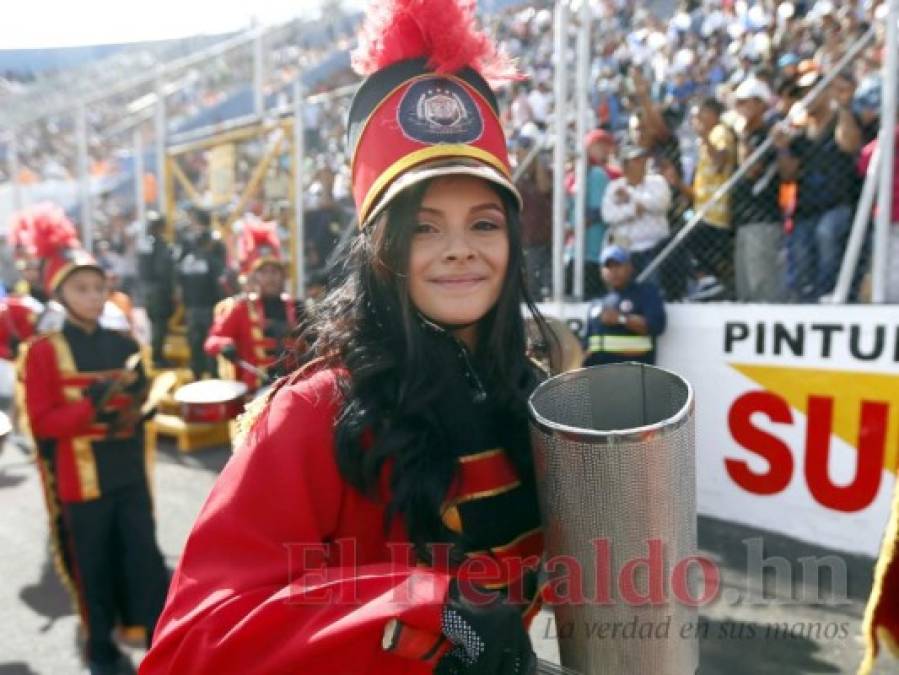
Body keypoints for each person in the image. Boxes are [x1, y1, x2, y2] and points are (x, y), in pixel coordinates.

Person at [140, 1, 549, 673]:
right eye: (422, 226)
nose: (457, 250)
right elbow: (189, 646)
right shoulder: (314, 410)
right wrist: (421, 608)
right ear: (379, 248)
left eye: (482, 223)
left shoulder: (529, 387)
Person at [19, 209, 168, 675]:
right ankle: (100, 648)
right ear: (59, 293)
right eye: (81, 288)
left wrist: (140, 404)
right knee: (95, 568)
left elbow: (140, 393)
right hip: (83, 481)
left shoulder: (124, 342)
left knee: (144, 558)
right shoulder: (43, 352)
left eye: (98, 287)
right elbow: (42, 422)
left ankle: (158, 641)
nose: (92, 296)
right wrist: (94, 407)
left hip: (127, 471)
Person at [774, 70, 862, 302]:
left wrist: (843, 108)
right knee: (800, 249)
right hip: (806, 209)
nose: (806, 97)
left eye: (812, 90)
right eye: (802, 93)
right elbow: (788, 175)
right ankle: (806, 302)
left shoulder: (841, 120)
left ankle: (831, 295)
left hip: (838, 204)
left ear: (827, 91)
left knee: (827, 234)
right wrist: (782, 148)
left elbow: (850, 145)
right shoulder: (799, 134)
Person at [204, 218, 302, 390]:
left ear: (283, 276)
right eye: (264, 272)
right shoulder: (241, 308)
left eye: (275, 272)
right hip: (256, 390)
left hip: (292, 387)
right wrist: (224, 345)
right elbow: (212, 341)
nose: (270, 277)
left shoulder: (297, 307)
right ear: (255, 277)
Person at [730, 78, 785, 302]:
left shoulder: (767, 135)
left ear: (762, 104)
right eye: (739, 102)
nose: (741, 107)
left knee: (762, 289)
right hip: (743, 220)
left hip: (763, 220)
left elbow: (751, 169)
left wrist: (742, 135)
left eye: (747, 102)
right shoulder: (745, 136)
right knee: (745, 290)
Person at [582, 245, 666, 367]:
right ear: (601, 272)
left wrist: (621, 319)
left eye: (618, 265)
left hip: (634, 373)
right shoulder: (597, 302)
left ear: (630, 268)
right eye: (608, 266)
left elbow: (656, 326)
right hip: (599, 376)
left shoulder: (645, 293)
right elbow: (587, 345)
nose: (613, 271)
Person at [601, 143, 671, 274]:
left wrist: (631, 196)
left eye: (643, 159)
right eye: (637, 160)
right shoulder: (614, 187)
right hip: (626, 248)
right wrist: (632, 210)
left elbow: (661, 204)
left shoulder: (657, 181)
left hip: (655, 245)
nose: (643, 163)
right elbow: (608, 215)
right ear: (625, 165)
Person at [175, 206, 226, 380]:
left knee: (195, 343)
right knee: (210, 343)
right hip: (209, 308)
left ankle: (196, 374)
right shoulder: (213, 261)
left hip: (192, 309)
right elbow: (220, 282)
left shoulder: (187, 261)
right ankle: (213, 375)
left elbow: (179, 282)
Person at [136, 212, 175, 368]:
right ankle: (157, 358)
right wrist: (170, 290)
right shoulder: (159, 244)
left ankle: (155, 355)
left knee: (153, 324)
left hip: (146, 290)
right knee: (160, 324)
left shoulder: (143, 244)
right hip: (159, 291)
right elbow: (163, 269)